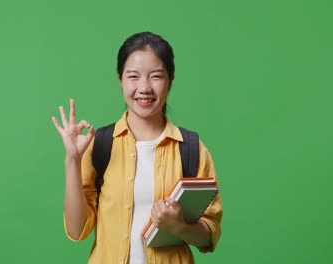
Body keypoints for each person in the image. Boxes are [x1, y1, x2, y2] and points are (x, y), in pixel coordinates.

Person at [52, 32, 222, 264]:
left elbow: (209, 236)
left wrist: (179, 227)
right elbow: (76, 230)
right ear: (120, 79)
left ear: (170, 80)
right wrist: (72, 160)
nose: (144, 88)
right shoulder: (101, 144)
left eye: (155, 76)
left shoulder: (191, 148)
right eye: (133, 76)